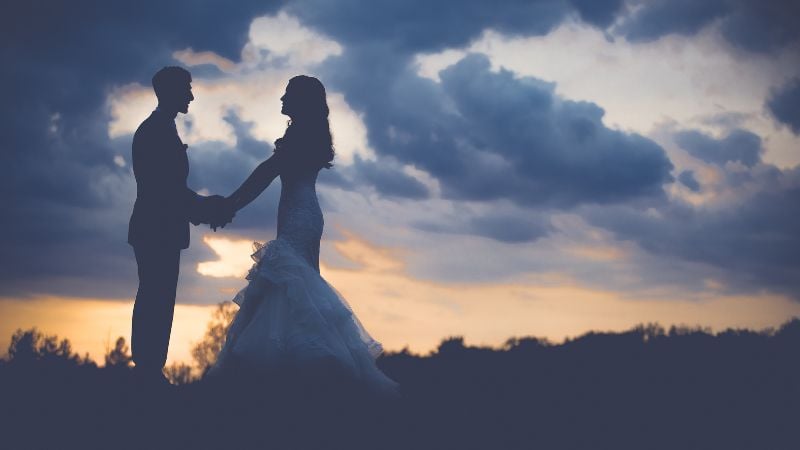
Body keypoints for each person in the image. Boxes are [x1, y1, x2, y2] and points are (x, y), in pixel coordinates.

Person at [210, 75, 399, 397]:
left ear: (300, 102)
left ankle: (288, 377)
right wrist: (231, 205)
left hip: (299, 217)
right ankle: (301, 379)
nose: (281, 100)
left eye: (287, 95)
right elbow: (266, 174)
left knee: (288, 282)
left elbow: (264, 175)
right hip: (307, 214)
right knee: (296, 286)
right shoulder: (308, 136)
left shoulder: (297, 138)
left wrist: (229, 205)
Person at [128, 66, 233, 388]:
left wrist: (204, 206)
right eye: (186, 88)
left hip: (160, 227)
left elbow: (169, 188)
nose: (191, 95)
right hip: (155, 228)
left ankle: (150, 369)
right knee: (155, 298)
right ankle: (147, 371)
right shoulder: (155, 131)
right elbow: (164, 189)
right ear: (170, 91)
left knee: (159, 298)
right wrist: (207, 207)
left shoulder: (161, 129)